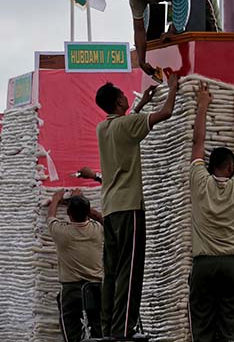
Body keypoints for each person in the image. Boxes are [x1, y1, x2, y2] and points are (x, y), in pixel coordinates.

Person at [95, 73, 179, 338]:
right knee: (130, 271)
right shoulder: (126, 126)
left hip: (109, 209)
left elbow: (129, 124)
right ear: (120, 100)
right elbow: (165, 113)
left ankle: (108, 326)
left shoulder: (104, 128)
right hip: (129, 207)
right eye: (123, 96)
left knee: (112, 272)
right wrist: (174, 87)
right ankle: (124, 329)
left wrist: (141, 104)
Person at [188, 83, 234, 342]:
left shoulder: (199, 181)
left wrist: (203, 105)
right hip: (231, 266)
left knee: (202, 331)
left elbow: (197, 142)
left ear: (209, 165)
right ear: (232, 167)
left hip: (203, 266)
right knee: (230, 332)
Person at [118, 0, 220, 77]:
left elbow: (178, 1)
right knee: (178, 36)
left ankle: (220, 64)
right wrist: (141, 60)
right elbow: (139, 29)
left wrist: (172, 30)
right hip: (178, 1)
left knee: (214, 34)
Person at [48, 189, 104, 342]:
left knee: (71, 333)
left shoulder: (62, 232)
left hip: (72, 290)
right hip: (95, 289)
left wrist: (55, 199)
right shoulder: (97, 230)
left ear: (68, 213)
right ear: (87, 213)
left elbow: (51, 217)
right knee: (98, 332)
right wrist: (81, 199)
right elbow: (102, 218)